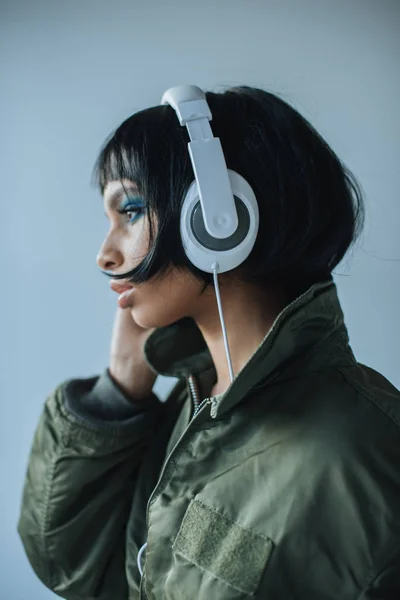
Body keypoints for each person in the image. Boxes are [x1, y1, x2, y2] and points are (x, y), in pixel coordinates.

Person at [17, 85, 400, 600]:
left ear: (220, 220)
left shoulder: (368, 454)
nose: (104, 256)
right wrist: (119, 392)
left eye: (129, 211)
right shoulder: (189, 403)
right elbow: (83, 572)